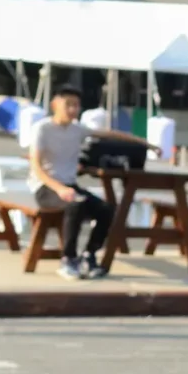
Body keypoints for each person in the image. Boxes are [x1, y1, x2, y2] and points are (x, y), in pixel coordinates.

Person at [28, 88, 133, 280]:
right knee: (75, 205)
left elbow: (109, 134)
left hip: (69, 185)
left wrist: (146, 144)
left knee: (106, 209)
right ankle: (68, 259)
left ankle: (89, 254)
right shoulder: (42, 129)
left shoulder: (77, 129)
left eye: (76, 105)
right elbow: (36, 167)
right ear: (55, 105)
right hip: (46, 188)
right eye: (68, 104)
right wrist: (59, 188)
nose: (72, 109)